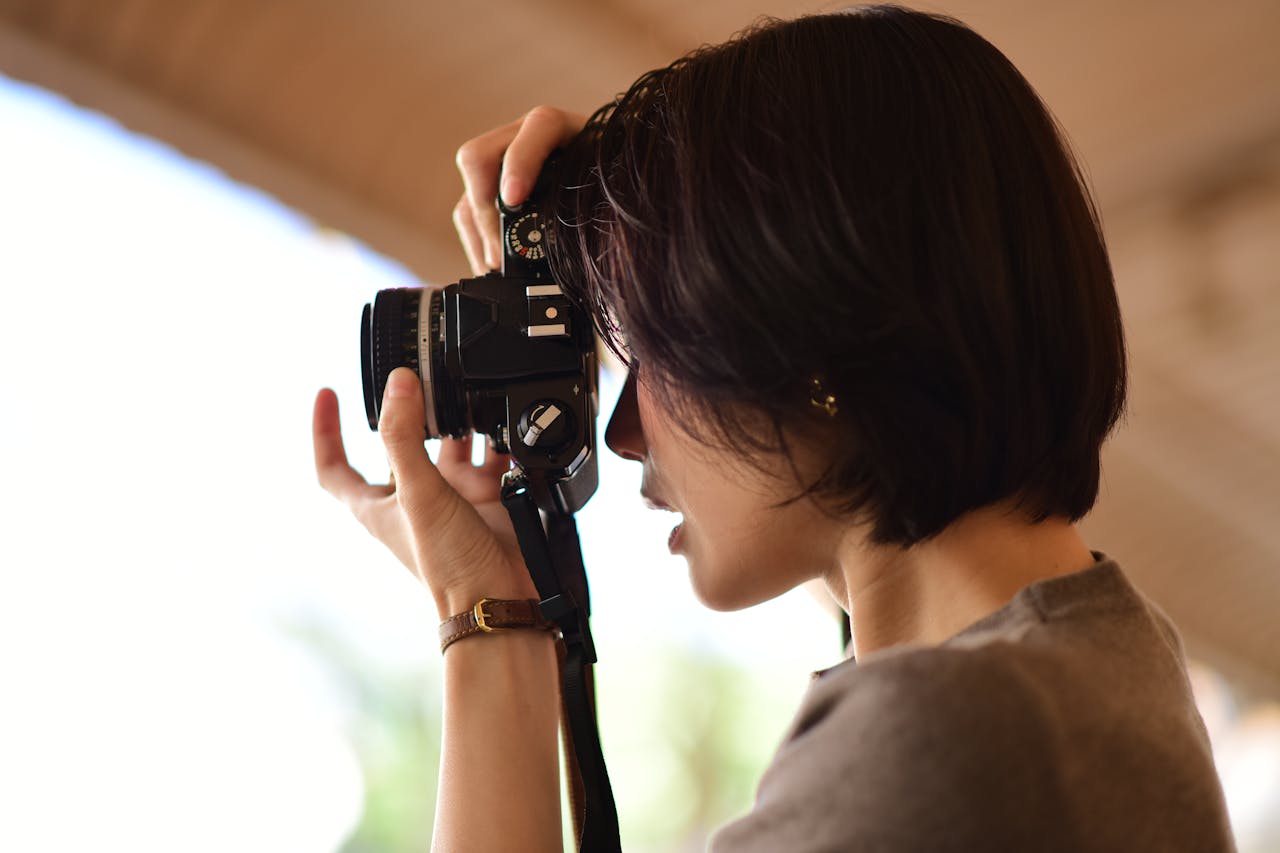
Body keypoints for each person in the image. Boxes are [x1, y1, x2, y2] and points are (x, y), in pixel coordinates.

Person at [312, 5, 1237, 851]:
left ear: (812, 339)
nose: (623, 429)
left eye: (644, 352)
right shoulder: (1098, 663)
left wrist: (485, 626)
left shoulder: (946, 739)